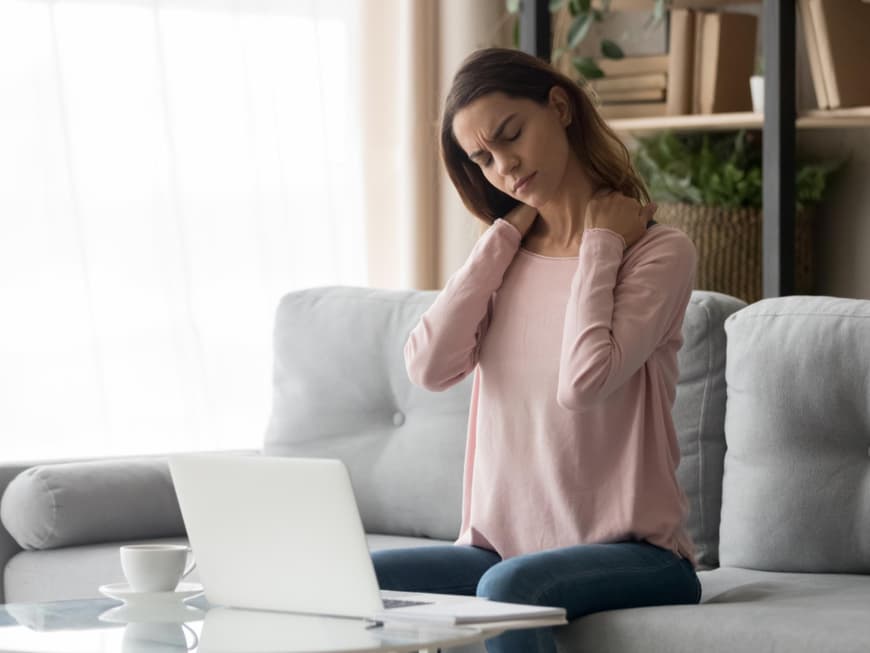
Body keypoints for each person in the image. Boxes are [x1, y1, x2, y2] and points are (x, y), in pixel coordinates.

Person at [372, 47, 701, 653]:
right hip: (502, 549)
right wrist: (502, 237)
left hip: (635, 555)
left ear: (558, 106)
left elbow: (584, 382)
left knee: (509, 586)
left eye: (510, 135)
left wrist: (601, 242)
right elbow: (428, 365)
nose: (504, 165)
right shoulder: (504, 258)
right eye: (483, 159)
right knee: (353, 581)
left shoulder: (658, 253)